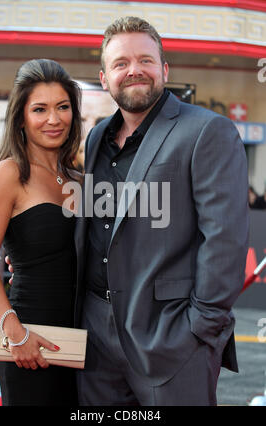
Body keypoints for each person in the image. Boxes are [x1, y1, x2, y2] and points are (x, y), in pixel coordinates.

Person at [74, 16, 249, 406]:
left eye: (145, 60)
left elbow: (225, 240)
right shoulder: (97, 135)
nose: (134, 70)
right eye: (121, 63)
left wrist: (198, 329)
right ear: (104, 78)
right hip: (94, 337)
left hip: (170, 337)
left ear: (164, 70)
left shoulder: (207, 130)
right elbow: (95, 224)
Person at [0, 58, 82, 406]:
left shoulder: (77, 178)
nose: (54, 119)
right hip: (28, 342)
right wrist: (15, 333)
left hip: (79, 343)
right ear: (21, 116)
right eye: (40, 109)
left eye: (63, 107)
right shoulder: (7, 175)